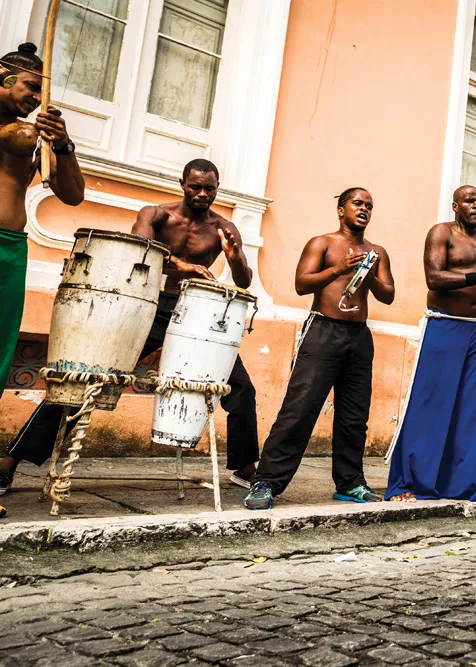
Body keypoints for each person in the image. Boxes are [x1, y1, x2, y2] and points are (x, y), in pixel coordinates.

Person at [0, 159, 261, 492]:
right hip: (148, 307)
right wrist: (181, 265)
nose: (202, 194)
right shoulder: (156, 215)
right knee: (86, 376)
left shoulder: (223, 227)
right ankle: (11, 461)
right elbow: (141, 254)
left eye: (209, 188)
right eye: (195, 186)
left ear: (217, 189)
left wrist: (235, 258)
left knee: (240, 387)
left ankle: (245, 466)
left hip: (196, 313)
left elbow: (244, 280)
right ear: (182, 183)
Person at [244, 187, 394, 510]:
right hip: (323, 330)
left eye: (369, 205)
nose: (364, 209)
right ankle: (266, 481)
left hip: (359, 336)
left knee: (354, 416)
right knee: (299, 409)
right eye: (357, 203)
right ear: (341, 210)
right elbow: (302, 284)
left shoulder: (377, 252)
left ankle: (350, 483)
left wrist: (368, 276)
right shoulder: (322, 243)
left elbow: (388, 295)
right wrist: (339, 269)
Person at [384, 185, 476, 503]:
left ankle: (463, 486)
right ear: (456, 205)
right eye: (469, 200)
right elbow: (434, 278)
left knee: (473, 409)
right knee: (430, 404)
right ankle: (410, 484)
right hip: (444, 325)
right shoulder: (441, 233)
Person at [0, 43, 86, 495]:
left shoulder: (36, 136)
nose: (37, 98)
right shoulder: (18, 131)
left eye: (41, 90)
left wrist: (62, 145)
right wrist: (26, 132)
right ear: (2, 77)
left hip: (12, 248)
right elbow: (13, 138)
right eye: (31, 86)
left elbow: (72, 194)